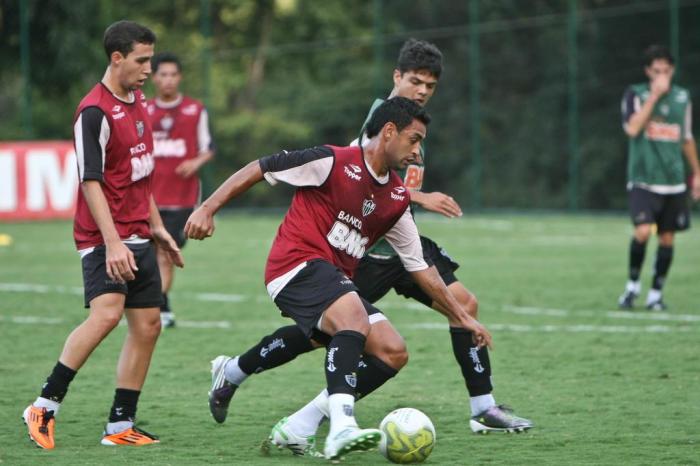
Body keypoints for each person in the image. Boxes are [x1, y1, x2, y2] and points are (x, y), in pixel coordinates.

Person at [206, 40, 531, 451]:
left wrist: (463, 319)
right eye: (416, 81)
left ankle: (301, 422)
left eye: (430, 84)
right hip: (338, 256)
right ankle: (312, 411)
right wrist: (207, 208)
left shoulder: (410, 144)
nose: (423, 90)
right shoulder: (377, 128)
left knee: (401, 341)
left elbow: (393, 209)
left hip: (387, 241)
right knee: (334, 329)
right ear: (397, 79)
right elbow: (355, 176)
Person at [22, 20, 183, 449]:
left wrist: (158, 229)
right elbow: (90, 180)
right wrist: (112, 242)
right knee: (107, 315)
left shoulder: (138, 99)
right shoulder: (93, 111)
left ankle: (119, 426)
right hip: (103, 235)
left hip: (137, 231)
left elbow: (140, 174)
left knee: (148, 324)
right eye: (142, 60)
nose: (149, 68)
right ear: (117, 58)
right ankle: (44, 405)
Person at [618, 45, 700, 311]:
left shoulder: (682, 98)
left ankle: (655, 294)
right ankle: (632, 288)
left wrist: (696, 173)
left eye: (666, 71)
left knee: (667, 239)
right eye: (657, 71)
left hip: (673, 181)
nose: (662, 75)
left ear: (672, 70)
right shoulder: (636, 94)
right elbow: (632, 128)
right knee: (642, 232)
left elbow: (686, 138)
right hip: (643, 179)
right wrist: (654, 96)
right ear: (648, 72)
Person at [147, 52, 214, 328]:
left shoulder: (195, 110)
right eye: (163, 74)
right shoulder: (143, 110)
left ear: (180, 77)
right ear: (154, 78)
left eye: (173, 74)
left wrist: (194, 162)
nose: (168, 80)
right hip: (148, 198)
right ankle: (160, 307)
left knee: (165, 252)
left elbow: (208, 148)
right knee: (148, 254)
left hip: (182, 199)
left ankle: (160, 305)